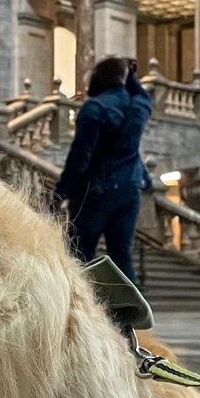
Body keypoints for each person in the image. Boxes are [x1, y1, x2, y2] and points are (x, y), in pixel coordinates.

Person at [55, 54, 153, 283]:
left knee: (78, 255)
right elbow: (142, 94)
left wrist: (61, 192)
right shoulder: (138, 105)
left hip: (96, 191)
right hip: (130, 188)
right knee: (121, 256)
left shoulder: (94, 108)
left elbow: (80, 156)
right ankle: (132, 314)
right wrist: (131, 75)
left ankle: (74, 311)